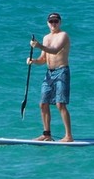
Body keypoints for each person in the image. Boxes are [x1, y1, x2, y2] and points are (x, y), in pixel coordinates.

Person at [29, 12, 73, 142]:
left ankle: (68, 136)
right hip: (49, 73)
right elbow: (44, 59)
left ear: (60, 22)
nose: (53, 24)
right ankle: (47, 134)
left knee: (60, 104)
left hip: (62, 71)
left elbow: (54, 50)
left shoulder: (63, 35)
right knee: (43, 103)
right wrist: (33, 61)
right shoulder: (46, 37)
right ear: (47, 23)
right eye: (51, 21)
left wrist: (38, 46)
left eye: (56, 21)